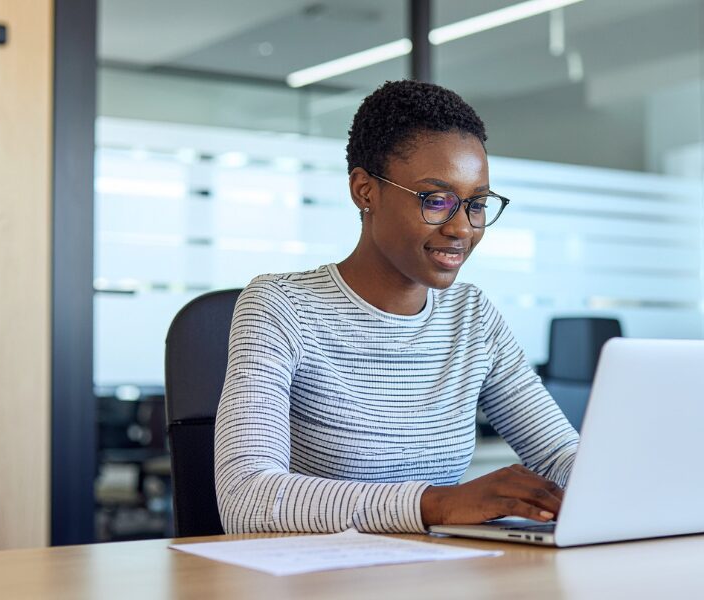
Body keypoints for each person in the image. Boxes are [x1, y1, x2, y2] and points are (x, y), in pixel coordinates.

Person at [213, 80, 578, 534]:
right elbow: (245, 497)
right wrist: (437, 505)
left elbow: (560, 455)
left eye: (477, 204)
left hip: (436, 574)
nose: (463, 228)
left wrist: (623, 484)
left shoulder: (472, 316)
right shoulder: (281, 307)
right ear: (365, 191)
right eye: (436, 199)